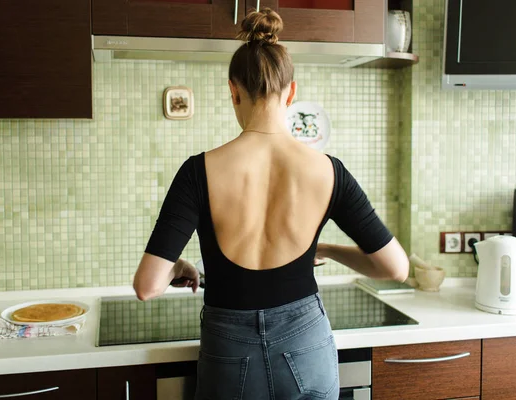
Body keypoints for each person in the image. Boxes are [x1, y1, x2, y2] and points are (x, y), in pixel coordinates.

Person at [133, 8, 409, 400]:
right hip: (306, 342)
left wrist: (177, 265)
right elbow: (395, 267)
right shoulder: (329, 172)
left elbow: (147, 287)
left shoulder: (198, 172)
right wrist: (324, 248)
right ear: (291, 92)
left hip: (228, 350)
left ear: (233, 91)